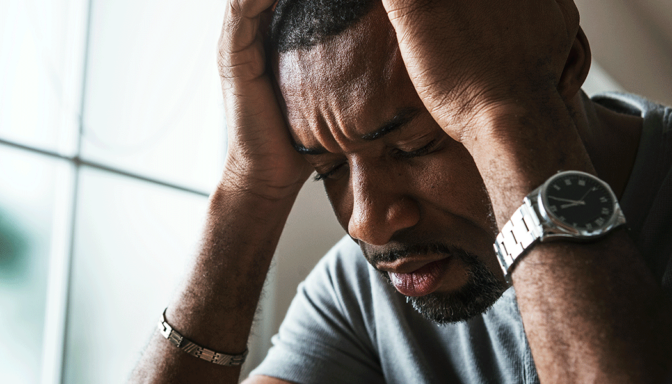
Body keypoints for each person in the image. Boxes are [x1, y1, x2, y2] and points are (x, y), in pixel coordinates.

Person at [130, 0, 672, 382]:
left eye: (415, 146)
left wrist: (506, 111)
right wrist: (249, 189)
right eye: (327, 170)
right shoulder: (358, 293)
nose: (367, 223)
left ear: (567, 64)